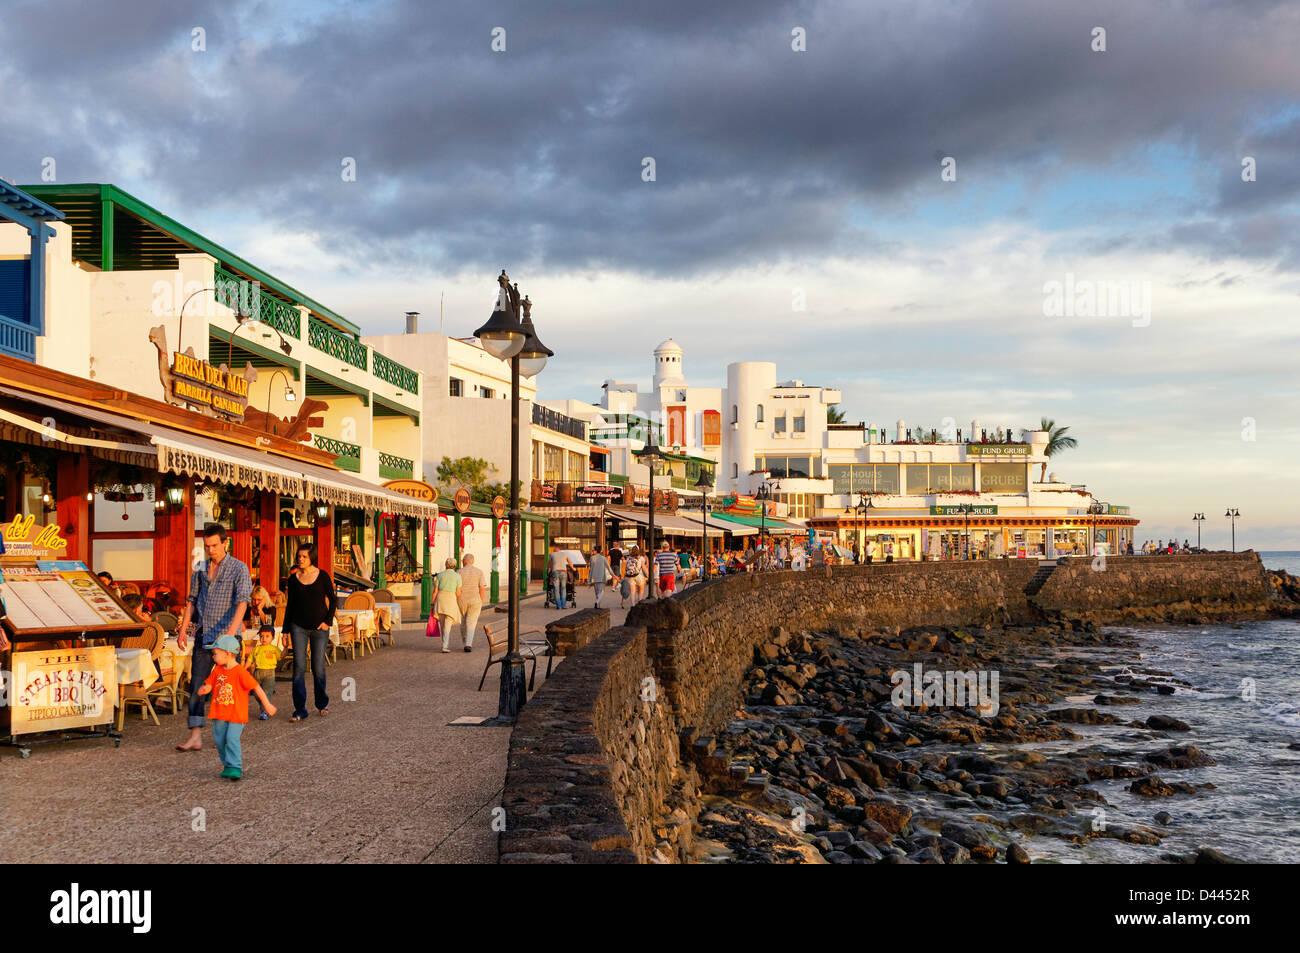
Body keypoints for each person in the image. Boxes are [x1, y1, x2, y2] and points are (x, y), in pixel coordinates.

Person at [175, 524, 252, 753]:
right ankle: (195, 735)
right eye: (207, 546)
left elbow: (243, 602)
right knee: (197, 684)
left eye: (215, 545)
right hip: (203, 634)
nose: (211, 550)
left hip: (227, 638)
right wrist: (183, 629)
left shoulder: (239, 568)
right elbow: (191, 600)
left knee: (227, 687)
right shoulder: (199, 568)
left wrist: (231, 632)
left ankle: (229, 732)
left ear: (225, 543)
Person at [197, 634, 276, 779]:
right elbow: (210, 683)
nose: (213, 657)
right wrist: (205, 689)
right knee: (220, 740)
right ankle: (227, 765)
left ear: (227, 654)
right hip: (219, 713)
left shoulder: (240, 672)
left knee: (231, 739)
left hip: (236, 714)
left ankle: (235, 766)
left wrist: (267, 705)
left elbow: (256, 687)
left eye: (215, 654)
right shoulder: (217, 669)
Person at [283, 542, 336, 721]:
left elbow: (333, 600)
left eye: (304, 556)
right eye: (299, 556)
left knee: (318, 667)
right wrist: (284, 631)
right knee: (298, 667)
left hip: (319, 628)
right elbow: (290, 607)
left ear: (311, 558)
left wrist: (327, 622)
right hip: (298, 627)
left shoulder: (322, 576)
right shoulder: (293, 579)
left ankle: (321, 703)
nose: (300, 559)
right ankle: (299, 710)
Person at [245, 625, 281, 720]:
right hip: (257, 673)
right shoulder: (256, 649)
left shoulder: (274, 649)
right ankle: (265, 705)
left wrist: (285, 648)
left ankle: (265, 711)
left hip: (269, 673)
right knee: (257, 694)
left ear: (272, 638)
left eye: (267, 636)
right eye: (261, 636)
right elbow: (250, 660)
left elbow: (281, 656)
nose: (264, 638)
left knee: (267, 692)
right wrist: (244, 668)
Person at [457, 553, 487, 653]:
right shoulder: (479, 572)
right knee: (472, 622)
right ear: (472, 561)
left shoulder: (459, 572)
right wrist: (481, 601)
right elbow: (482, 588)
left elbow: (457, 588)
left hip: (462, 599)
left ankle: (465, 640)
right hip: (475, 599)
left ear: (465, 561)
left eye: (462, 560)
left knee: (463, 621)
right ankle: (468, 644)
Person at [434, 558, 463, 652]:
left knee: (442, 624)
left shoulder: (439, 575)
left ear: (446, 565)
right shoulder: (457, 576)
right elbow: (458, 593)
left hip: (441, 599)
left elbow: (435, 591)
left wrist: (432, 603)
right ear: (455, 565)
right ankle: (445, 646)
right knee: (448, 623)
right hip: (450, 599)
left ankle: (444, 644)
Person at [547, 544, 573, 609]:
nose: (553, 549)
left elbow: (549, 564)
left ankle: (559, 606)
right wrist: (573, 568)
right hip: (564, 572)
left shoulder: (552, 554)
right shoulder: (565, 554)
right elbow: (570, 562)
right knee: (563, 588)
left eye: (554, 547)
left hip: (555, 572)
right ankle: (563, 605)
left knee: (556, 589)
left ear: (556, 548)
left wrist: (548, 569)